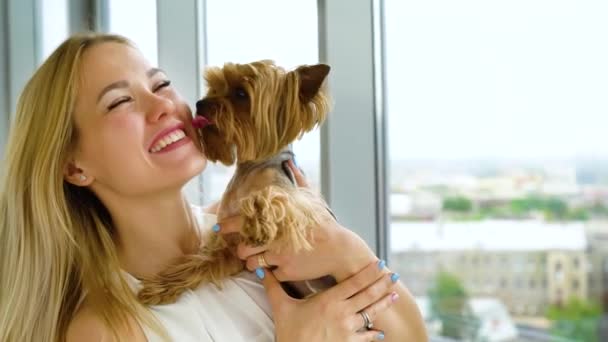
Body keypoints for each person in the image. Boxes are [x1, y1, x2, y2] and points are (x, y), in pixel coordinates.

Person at [0, 33, 427, 342]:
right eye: (120, 102)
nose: (163, 105)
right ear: (74, 167)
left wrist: (349, 251)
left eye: (161, 84)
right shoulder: (109, 329)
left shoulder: (268, 228)